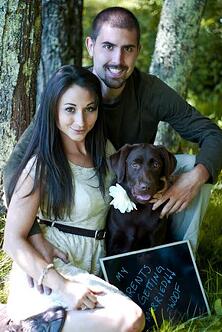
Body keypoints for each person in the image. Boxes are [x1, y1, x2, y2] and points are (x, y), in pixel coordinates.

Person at [4, 7, 222, 273]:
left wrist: (197, 176)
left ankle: (178, 271)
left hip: (138, 183)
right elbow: (16, 167)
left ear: (138, 51)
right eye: (108, 46)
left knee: (190, 166)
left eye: (128, 49)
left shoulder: (150, 91)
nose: (118, 59)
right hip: (83, 198)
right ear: (91, 45)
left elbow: (212, 134)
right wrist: (34, 234)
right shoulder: (71, 94)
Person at [3, 65, 145, 332]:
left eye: (90, 109)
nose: (81, 121)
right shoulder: (42, 165)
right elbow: (12, 240)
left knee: (134, 317)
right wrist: (63, 285)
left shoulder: (103, 149)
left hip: (92, 265)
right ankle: (28, 326)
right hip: (51, 272)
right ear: (53, 110)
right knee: (130, 319)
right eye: (70, 109)